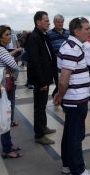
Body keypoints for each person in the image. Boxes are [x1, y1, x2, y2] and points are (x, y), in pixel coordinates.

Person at [54, 17, 90, 175]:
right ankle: (78, 169)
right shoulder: (72, 48)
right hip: (75, 99)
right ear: (76, 31)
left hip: (75, 98)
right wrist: (60, 95)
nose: (89, 32)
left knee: (70, 133)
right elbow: (64, 79)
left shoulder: (74, 45)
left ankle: (67, 165)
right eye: (87, 29)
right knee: (75, 135)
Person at [0, 25, 22, 158]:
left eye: (10, 34)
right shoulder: (1, 50)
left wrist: (13, 53)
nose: (10, 37)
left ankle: (8, 144)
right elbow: (14, 66)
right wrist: (17, 56)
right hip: (6, 86)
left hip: (2, 85)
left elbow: (4, 59)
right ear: (0, 37)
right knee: (6, 114)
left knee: (6, 113)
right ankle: (7, 149)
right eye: (7, 34)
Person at [27, 11, 57, 145]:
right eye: (46, 20)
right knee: (39, 107)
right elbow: (34, 61)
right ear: (38, 22)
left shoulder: (43, 36)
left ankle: (43, 127)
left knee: (43, 105)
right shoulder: (34, 37)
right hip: (41, 79)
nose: (49, 22)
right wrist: (41, 81)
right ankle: (39, 135)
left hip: (46, 76)